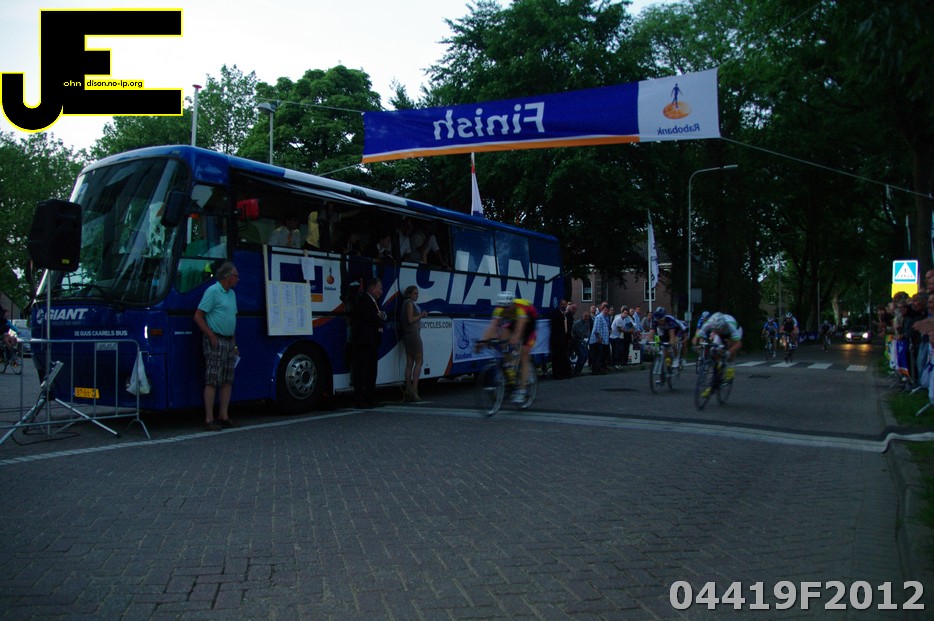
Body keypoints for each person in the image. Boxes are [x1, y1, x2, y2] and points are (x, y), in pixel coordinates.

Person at [193, 261, 240, 431]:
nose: (238, 279)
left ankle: (223, 415)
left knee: (227, 379)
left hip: (228, 340)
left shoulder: (232, 294)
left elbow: (232, 318)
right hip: (216, 339)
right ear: (228, 277)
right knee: (212, 379)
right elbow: (198, 316)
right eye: (235, 276)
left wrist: (234, 344)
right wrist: (211, 335)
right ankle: (209, 418)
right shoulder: (212, 291)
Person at [478, 291, 538, 403]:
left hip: (529, 323)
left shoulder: (521, 308)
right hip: (514, 321)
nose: (504, 310)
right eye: (502, 307)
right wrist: (483, 341)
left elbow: (520, 329)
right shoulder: (499, 310)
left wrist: (515, 339)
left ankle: (522, 390)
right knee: (503, 338)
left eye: (506, 307)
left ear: (512, 304)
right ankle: (510, 368)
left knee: (524, 353)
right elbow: (492, 327)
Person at [352, 277, 387, 408]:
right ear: (372, 288)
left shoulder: (374, 302)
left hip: (372, 342)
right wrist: (379, 318)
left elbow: (379, 317)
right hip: (364, 342)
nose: (381, 292)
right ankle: (361, 400)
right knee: (362, 371)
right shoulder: (364, 300)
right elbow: (371, 318)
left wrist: (380, 317)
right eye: (379, 288)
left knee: (371, 371)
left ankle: (370, 398)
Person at [693, 312, 743, 395]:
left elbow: (738, 344)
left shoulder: (730, 327)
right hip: (720, 331)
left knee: (731, 345)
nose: (718, 331)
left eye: (719, 330)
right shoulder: (708, 324)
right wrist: (695, 345)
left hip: (733, 331)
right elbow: (696, 337)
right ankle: (712, 382)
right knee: (714, 349)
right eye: (716, 330)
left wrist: (729, 352)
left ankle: (730, 366)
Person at [401, 285, 428, 400]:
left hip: (407, 335)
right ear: (409, 294)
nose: (417, 296)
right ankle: (414, 389)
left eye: (417, 293)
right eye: (415, 293)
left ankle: (408, 388)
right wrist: (421, 315)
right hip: (413, 334)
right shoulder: (410, 303)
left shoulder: (404, 303)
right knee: (419, 361)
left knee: (409, 363)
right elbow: (410, 319)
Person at [549, 299, 573, 379]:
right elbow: (555, 327)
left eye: (565, 304)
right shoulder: (555, 314)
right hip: (557, 340)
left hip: (564, 340)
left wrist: (568, 338)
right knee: (556, 357)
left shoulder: (567, 315)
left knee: (564, 357)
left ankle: (564, 373)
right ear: (559, 305)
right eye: (562, 304)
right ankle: (557, 374)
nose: (564, 306)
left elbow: (568, 327)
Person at [571, 310, 592, 376]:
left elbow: (587, 332)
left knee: (585, 356)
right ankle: (576, 371)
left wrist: (586, 338)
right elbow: (579, 334)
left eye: (588, 317)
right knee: (582, 355)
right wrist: (584, 338)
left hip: (582, 342)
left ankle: (579, 370)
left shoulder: (587, 323)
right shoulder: (578, 323)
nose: (586, 318)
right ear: (582, 316)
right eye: (585, 316)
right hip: (576, 341)